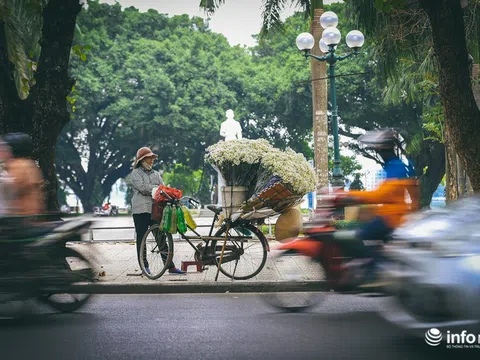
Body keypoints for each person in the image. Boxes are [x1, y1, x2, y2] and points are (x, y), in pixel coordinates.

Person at [335, 129, 419, 282]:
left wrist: (351, 195)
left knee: (361, 236)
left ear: (385, 149)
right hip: (394, 214)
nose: (377, 152)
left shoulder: (396, 167)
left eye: (378, 150)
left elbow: (381, 195)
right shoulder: (395, 165)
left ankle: (374, 270)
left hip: (392, 217)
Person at [130, 146, 185, 275]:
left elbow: (163, 189)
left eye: (152, 158)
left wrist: (160, 190)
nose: (151, 160)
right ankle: (145, 267)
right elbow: (142, 188)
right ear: (142, 160)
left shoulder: (156, 174)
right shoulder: (135, 173)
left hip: (155, 208)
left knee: (161, 237)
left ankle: (170, 266)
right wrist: (157, 189)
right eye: (149, 158)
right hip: (141, 210)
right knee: (141, 239)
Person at [3, 133, 45, 217]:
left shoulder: (17, 165)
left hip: (19, 218)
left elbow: (11, 188)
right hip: (30, 215)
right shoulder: (30, 164)